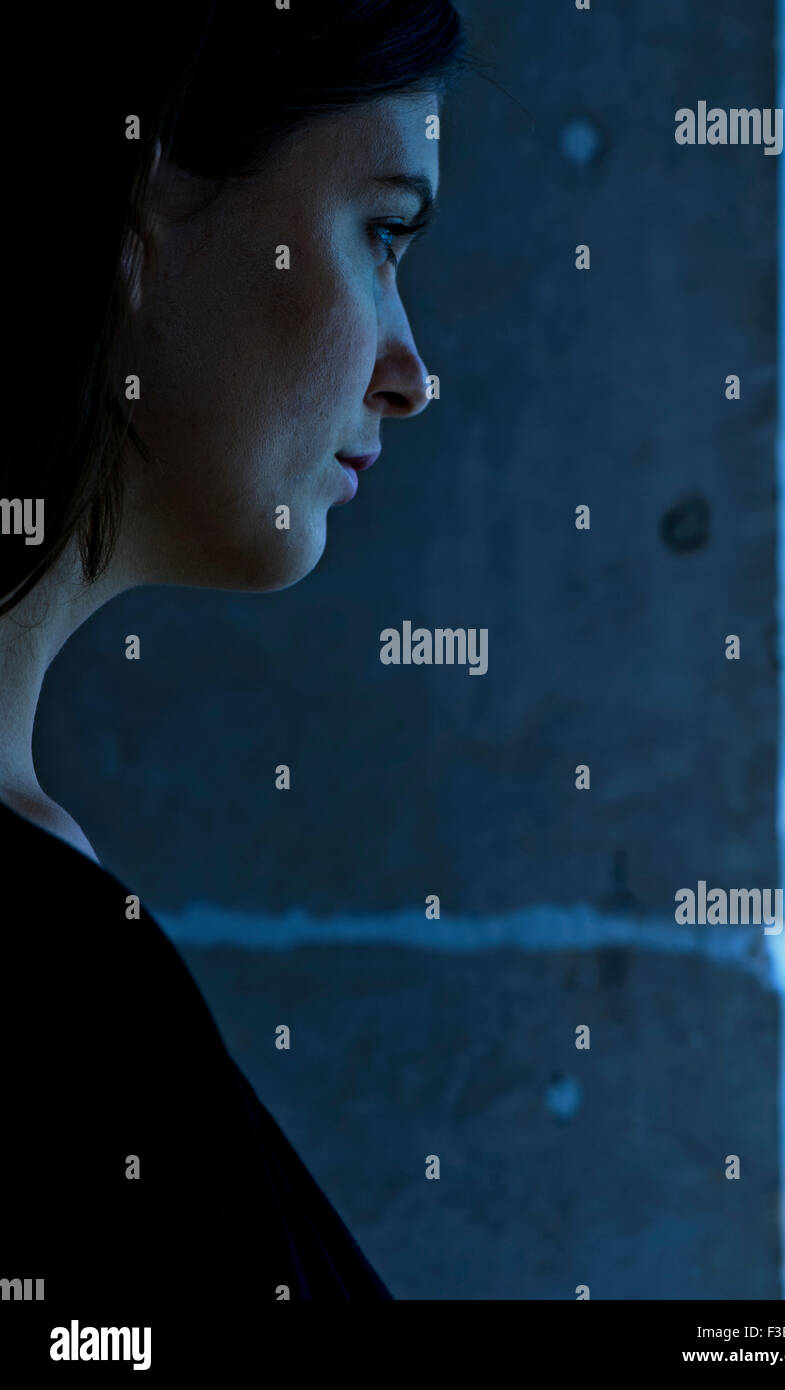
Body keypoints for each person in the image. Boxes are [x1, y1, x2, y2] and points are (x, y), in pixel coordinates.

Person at [0, 0, 472, 1347]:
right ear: (144, 214)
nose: (413, 373)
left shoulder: (68, 944)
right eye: (384, 231)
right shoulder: (53, 993)